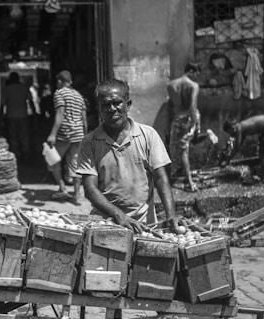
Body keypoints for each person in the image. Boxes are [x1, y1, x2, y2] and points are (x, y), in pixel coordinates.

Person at [76, 78, 185, 234]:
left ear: (128, 104)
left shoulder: (148, 135)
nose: (112, 108)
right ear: (98, 108)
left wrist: (171, 215)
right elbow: (90, 189)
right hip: (105, 225)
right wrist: (118, 215)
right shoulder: (89, 143)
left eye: (117, 103)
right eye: (106, 104)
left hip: (144, 226)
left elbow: (160, 178)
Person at [168, 61, 218, 192]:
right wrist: (195, 123)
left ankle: (181, 176)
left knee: (177, 149)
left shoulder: (171, 85)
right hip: (188, 118)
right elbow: (192, 106)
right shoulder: (193, 86)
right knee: (186, 149)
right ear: (191, 71)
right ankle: (190, 182)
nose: (196, 77)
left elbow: (171, 105)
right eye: (196, 74)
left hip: (177, 119)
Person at [46, 70, 87, 205]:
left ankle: (62, 188)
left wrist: (52, 134)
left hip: (65, 134)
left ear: (59, 81)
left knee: (52, 160)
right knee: (74, 163)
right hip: (79, 135)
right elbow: (84, 119)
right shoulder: (79, 96)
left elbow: (60, 113)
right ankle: (76, 194)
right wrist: (85, 135)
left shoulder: (60, 93)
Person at [222, 115, 264, 184]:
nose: (230, 135)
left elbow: (236, 147)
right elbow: (239, 145)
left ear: (232, 127)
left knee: (262, 153)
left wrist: (227, 160)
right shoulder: (242, 127)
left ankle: (263, 180)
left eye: (229, 132)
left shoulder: (239, 128)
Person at [1, 72, 35, 162]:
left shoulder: (7, 89)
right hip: (23, 115)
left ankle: (16, 155)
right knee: (24, 135)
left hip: (11, 116)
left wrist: (0, 116)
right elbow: (31, 102)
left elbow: (2, 105)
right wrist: (35, 114)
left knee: (13, 136)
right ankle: (25, 154)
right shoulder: (24, 88)